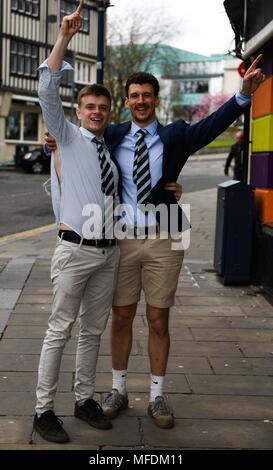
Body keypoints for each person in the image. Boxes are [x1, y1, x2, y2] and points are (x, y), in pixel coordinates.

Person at [45, 0, 266, 430]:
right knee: (121, 316)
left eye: (147, 96)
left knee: (159, 317)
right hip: (121, 238)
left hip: (167, 237)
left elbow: (214, 124)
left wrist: (242, 96)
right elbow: (73, 138)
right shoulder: (109, 133)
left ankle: (159, 396)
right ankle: (118, 388)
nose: (140, 102)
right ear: (126, 103)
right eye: (133, 97)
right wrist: (51, 142)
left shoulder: (177, 135)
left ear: (155, 100)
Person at [32, 2, 120, 444]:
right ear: (79, 110)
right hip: (75, 248)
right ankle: (43, 410)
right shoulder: (64, 136)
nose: (97, 112)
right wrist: (64, 36)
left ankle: (84, 399)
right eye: (90, 106)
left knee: (93, 330)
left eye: (103, 106)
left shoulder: (110, 150)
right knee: (59, 329)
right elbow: (47, 89)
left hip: (109, 252)